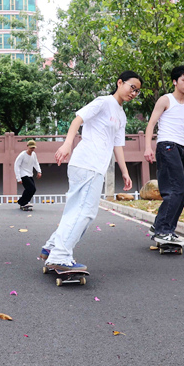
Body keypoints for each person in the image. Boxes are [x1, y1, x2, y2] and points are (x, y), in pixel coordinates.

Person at [39, 71, 141, 270]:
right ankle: (60, 256)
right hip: (87, 163)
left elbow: (118, 145)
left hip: (94, 167)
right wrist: (67, 144)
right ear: (120, 82)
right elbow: (78, 119)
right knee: (85, 212)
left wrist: (125, 172)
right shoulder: (103, 102)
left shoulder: (122, 115)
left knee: (76, 210)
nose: (134, 93)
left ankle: (51, 248)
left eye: (137, 91)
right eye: (132, 87)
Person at [143, 65, 184, 245]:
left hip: (180, 148)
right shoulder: (166, 100)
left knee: (183, 191)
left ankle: (160, 226)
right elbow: (151, 124)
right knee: (176, 189)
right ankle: (163, 230)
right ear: (175, 81)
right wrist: (148, 147)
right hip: (166, 146)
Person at [14, 140, 42, 210]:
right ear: (27, 146)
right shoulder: (22, 155)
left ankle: (23, 201)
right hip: (23, 174)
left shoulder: (34, 154)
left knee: (33, 189)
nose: (32, 149)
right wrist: (18, 178)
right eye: (31, 148)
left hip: (30, 174)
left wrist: (39, 171)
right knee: (30, 188)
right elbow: (16, 165)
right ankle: (23, 202)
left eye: (33, 148)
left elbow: (36, 163)